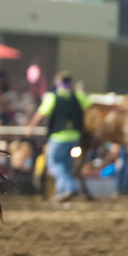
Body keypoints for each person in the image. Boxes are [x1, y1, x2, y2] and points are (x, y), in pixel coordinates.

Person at [26, 70, 91, 202]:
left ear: (57, 83)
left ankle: (69, 187)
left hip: (58, 136)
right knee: (67, 166)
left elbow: (41, 114)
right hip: (74, 136)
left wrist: (30, 127)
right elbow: (90, 108)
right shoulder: (78, 96)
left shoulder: (52, 97)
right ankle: (62, 192)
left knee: (53, 163)